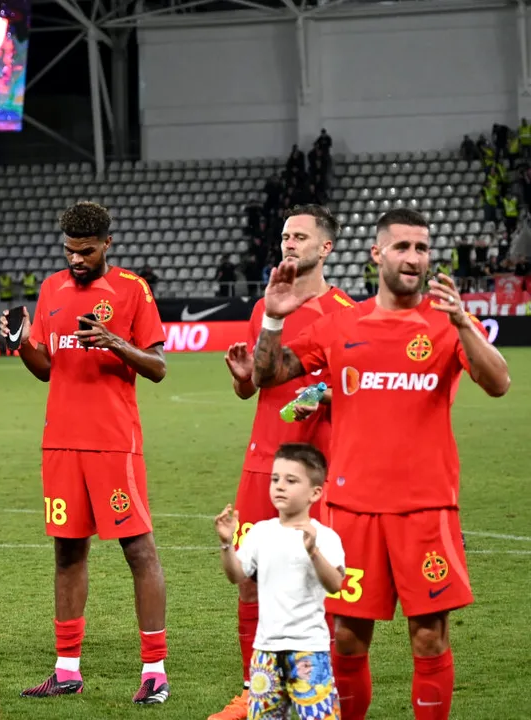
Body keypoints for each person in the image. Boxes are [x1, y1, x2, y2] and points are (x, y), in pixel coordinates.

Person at [252, 208, 511, 720]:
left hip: (426, 508)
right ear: (378, 254)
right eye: (401, 247)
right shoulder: (342, 324)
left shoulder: (446, 323)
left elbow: (499, 381)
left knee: (429, 638)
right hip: (353, 510)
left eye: (421, 248)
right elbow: (268, 374)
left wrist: (462, 322)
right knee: (347, 639)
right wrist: (273, 317)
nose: (412, 257)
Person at [2, 201, 171, 703]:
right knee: (67, 551)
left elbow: (158, 367)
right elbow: (46, 368)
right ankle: (67, 668)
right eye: (70, 251)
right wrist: (18, 343)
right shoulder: (52, 289)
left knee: (138, 550)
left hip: (113, 444)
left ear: (106, 245)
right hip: (60, 443)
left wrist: (114, 342)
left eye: (86, 251)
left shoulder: (132, 290)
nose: (76, 260)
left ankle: (155, 671)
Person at [212, 205, 354, 720]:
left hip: (316, 465)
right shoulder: (264, 307)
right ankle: (254, 691)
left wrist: (325, 395)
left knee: (318, 577)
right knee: (250, 578)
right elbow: (256, 387)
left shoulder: (345, 313)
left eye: (301, 236)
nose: (290, 243)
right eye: (285, 236)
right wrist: (242, 376)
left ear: (326, 248)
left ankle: (315, 688)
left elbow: (357, 391)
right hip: (261, 462)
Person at [214, 444, 346, 720]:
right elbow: (236, 575)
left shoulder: (325, 537)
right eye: (275, 479)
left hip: (309, 651)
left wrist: (313, 552)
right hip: (265, 652)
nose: (280, 487)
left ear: (315, 493)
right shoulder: (261, 532)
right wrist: (227, 545)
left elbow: (335, 584)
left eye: (291, 480)